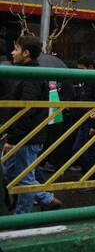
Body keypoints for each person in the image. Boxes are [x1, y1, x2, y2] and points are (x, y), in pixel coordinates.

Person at [0, 35, 62, 213]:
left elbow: (27, 111)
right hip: (25, 135)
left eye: (16, 49)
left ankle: (23, 217)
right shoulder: (27, 72)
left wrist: (13, 138)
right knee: (11, 172)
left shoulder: (31, 76)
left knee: (24, 178)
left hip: (27, 137)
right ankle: (46, 199)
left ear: (26, 53)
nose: (12, 53)